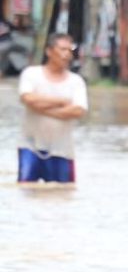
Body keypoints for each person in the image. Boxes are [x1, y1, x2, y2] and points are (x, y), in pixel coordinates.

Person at [17, 32, 89, 184]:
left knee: (63, 194)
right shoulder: (31, 74)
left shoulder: (76, 82)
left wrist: (41, 109)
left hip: (62, 150)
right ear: (49, 51)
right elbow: (27, 98)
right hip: (30, 146)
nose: (67, 55)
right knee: (25, 190)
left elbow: (78, 110)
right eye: (62, 49)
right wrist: (62, 101)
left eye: (70, 50)